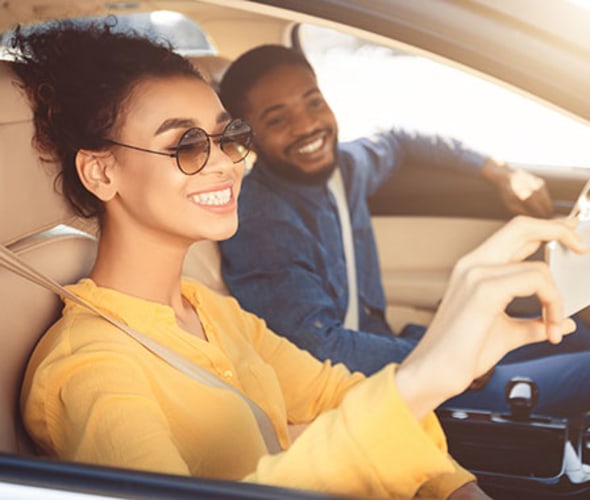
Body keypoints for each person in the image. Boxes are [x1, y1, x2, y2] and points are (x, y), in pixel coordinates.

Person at [11, 22, 588, 500]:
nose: (226, 164)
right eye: (186, 145)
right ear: (101, 171)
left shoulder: (208, 310)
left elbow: (342, 397)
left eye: (228, 137)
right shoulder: (90, 371)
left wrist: (451, 485)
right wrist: (428, 372)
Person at [218, 44, 590, 417]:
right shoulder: (261, 222)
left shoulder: (345, 168)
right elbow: (317, 349)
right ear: (247, 139)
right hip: (372, 393)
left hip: (393, 348)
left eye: (313, 102)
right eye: (277, 120)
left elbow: (401, 141)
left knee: (576, 333)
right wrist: (449, 355)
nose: (307, 126)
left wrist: (499, 171)